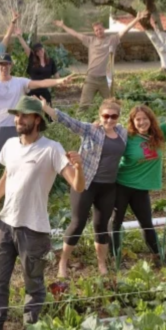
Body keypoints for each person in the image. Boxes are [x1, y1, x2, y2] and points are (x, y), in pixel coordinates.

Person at [0, 96, 84, 330]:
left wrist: (79, 168)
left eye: (23, 115)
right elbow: (7, 177)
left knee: (34, 286)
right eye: (17, 115)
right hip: (5, 225)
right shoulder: (11, 145)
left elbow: (77, 185)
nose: (18, 119)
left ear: (37, 119)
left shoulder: (52, 148)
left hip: (34, 230)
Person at [111, 79, 166, 265]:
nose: (141, 122)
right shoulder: (126, 137)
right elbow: (106, 133)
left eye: (144, 119)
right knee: (115, 223)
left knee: (147, 223)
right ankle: (115, 260)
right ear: (133, 123)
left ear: (150, 120)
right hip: (122, 185)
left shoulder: (159, 134)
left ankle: (159, 256)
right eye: (137, 120)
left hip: (141, 189)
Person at [42, 97, 127, 277]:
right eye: (106, 116)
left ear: (119, 117)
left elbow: (140, 130)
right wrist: (48, 110)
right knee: (77, 223)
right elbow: (69, 122)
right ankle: (63, 263)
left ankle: (101, 264)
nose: (109, 120)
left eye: (114, 116)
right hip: (86, 184)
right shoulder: (90, 130)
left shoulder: (122, 132)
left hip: (108, 186)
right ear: (100, 115)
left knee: (102, 226)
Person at [0, 54, 73, 183]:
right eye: (1, 64)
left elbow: (40, 83)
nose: (4, 67)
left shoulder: (20, 82)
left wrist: (59, 81)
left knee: (21, 159)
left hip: (19, 127)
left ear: (11, 65)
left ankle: (20, 184)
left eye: (7, 64)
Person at [52, 13, 146, 108]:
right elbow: (75, 34)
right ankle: (80, 122)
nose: (99, 31)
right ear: (94, 32)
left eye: (100, 29)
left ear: (104, 29)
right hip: (91, 78)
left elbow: (124, 31)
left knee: (112, 105)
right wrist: (63, 26)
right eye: (96, 30)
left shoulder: (112, 40)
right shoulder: (90, 41)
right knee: (83, 106)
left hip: (106, 79)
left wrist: (137, 19)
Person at [16, 35, 60, 105]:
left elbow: (56, 75)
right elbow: (26, 47)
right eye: (37, 51)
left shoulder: (50, 61)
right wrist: (19, 36)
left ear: (43, 49)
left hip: (45, 91)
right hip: (33, 91)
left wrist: (60, 82)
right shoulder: (32, 61)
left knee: (46, 112)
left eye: (41, 49)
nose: (40, 52)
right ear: (35, 53)